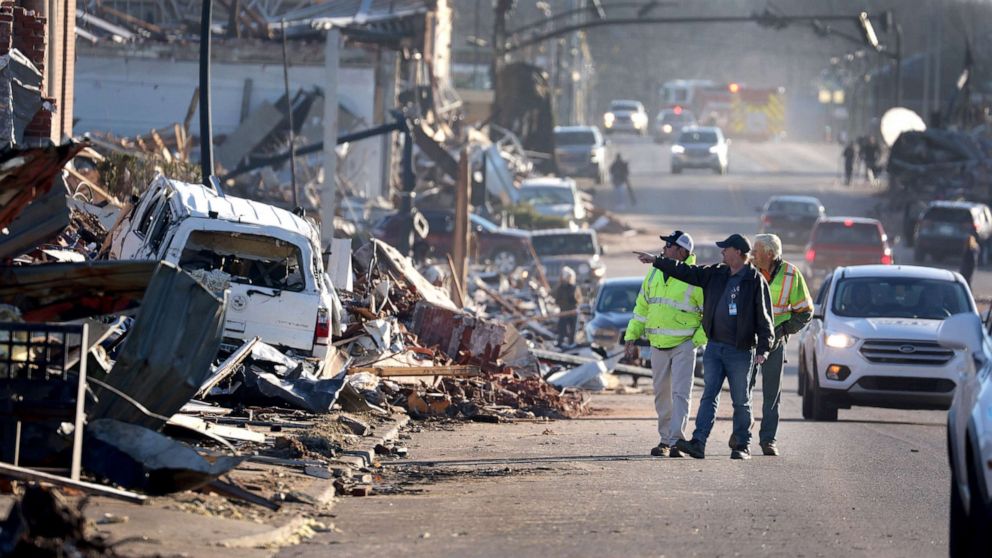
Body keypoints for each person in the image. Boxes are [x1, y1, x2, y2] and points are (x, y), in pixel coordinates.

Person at [639, 233, 773, 460]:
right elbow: (687, 271)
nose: (721, 252)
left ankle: (741, 445)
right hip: (715, 348)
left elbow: (764, 317)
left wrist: (763, 348)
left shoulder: (754, 280)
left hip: (740, 351)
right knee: (709, 396)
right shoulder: (716, 273)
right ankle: (698, 443)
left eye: (725, 249)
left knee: (741, 399)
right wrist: (657, 260)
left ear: (739, 252)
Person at [624, 231, 706, 458]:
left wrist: (694, 342)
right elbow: (642, 308)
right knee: (662, 393)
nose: (664, 249)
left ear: (682, 251)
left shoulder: (695, 277)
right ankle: (664, 439)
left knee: (681, 393)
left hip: (684, 344)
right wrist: (631, 336)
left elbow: (708, 315)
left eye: (669, 245)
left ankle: (676, 440)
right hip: (658, 344)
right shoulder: (654, 274)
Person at [748, 234, 814, 456]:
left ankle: (768, 440)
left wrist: (784, 330)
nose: (752, 254)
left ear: (769, 253)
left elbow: (805, 311)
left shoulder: (791, 274)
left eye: (755, 251)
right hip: (748, 340)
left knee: (771, 395)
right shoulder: (747, 270)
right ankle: (741, 436)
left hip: (775, 342)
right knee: (743, 391)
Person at [554, 267, 582, 347]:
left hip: (573, 312)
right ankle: (560, 341)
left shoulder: (574, 288)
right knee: (562, 328)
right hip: (564, 312)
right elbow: (557, 300)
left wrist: (573, 305)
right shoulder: (560, 288)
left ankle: (571, 342)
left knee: (573, 329)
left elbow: (578, 299)